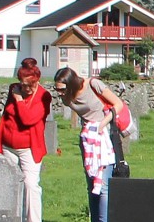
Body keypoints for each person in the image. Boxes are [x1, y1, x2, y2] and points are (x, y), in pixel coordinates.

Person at [53, 66, 126, 222]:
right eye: (56, 89)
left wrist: (102, 123)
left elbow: (118, 104)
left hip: (104, 136)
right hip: (88, 139)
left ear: (71, 83)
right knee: (92, 185)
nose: (59, 93)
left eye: (61, 89)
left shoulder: (93, 84)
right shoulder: (67, 97)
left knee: (103, 186)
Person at [0, 61, 51, 222]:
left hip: (29, 147)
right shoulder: (13, 89)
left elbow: (28, 119)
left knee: (30, 185)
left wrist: (19, 99)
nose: (26, 89)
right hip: (8, 146)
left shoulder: (43, 96)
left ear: (37, 81)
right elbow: (6, 115)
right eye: (23, 85)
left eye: (30, 85)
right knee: (10, 184)